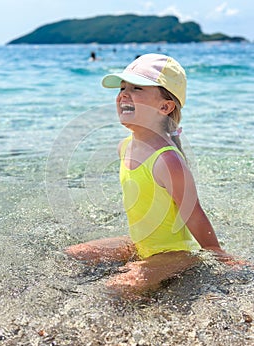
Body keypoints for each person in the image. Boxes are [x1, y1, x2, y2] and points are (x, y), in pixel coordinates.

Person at [65, 53, 246, 297]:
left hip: (174, 253)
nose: (123, 95)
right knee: (72, 256)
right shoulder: (125, 146)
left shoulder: (167, 160)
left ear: (165, 106)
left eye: (137, 88)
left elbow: (194, 214)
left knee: (116, 289)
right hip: (141, 244)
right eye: (122, 88)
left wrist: (216, 253)